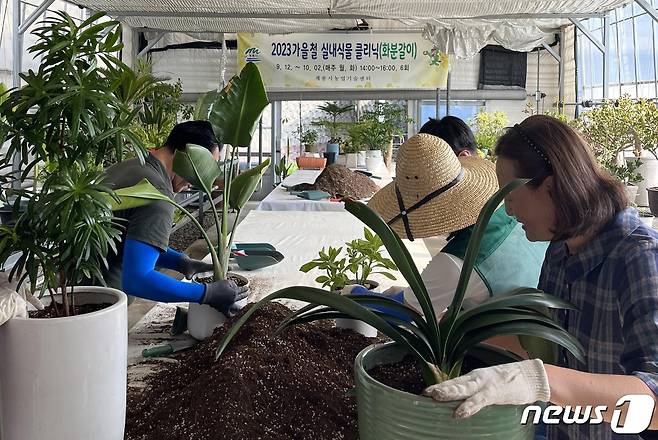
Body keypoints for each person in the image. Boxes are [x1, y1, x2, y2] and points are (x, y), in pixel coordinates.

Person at [424, 115, 658, 439]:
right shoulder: (561, 248)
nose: (506, 211)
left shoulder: (639, 258)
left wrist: (537, 380)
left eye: (511, 197)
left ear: (550, 187)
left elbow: (653, 401)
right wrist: (457, 331)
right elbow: (547, 342)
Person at [367, 133, 548, 317]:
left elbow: (402, 312)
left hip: (494, 343)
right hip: (531, 330)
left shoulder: (456, 261)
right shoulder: (515, 213)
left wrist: (356, 294)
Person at [102, 120, 247, 316]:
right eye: (205, 167)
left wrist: (180, 262)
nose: (203, 179)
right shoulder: (157, 193)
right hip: (97, 302)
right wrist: (206, 293)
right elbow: (137, 279)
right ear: (189, 155)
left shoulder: (133, 165)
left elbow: (133, 243)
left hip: (66, 290)